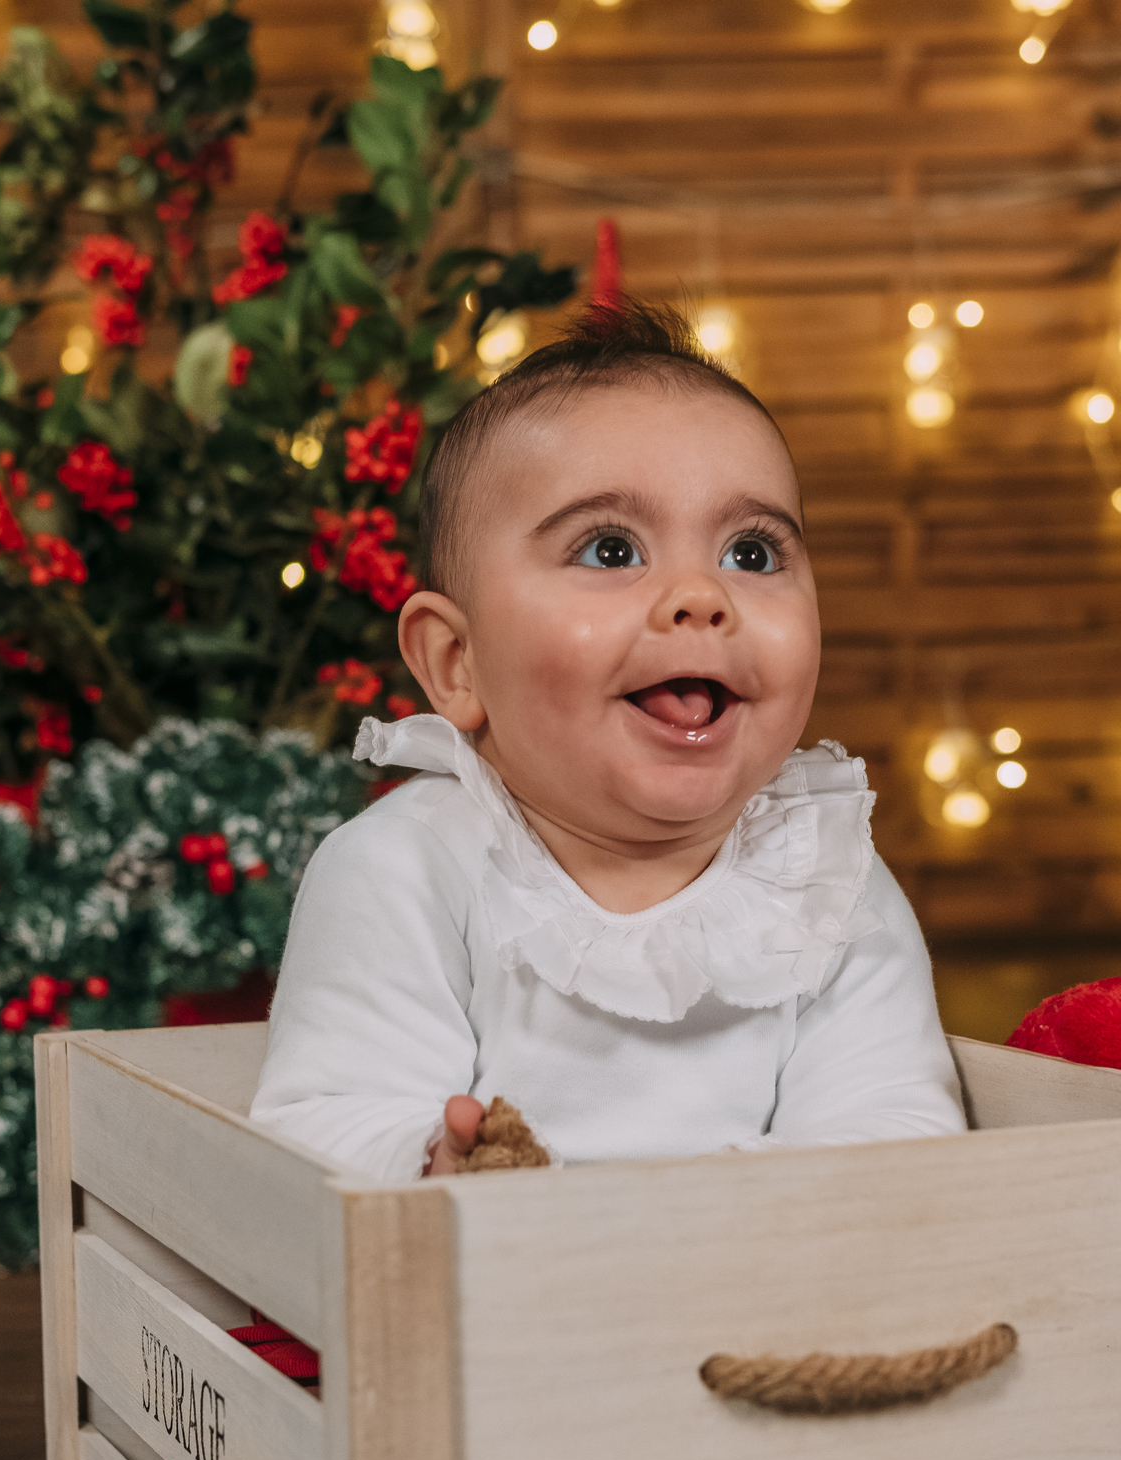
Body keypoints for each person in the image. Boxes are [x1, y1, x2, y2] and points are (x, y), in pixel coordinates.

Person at [251, 300, 965, 1182]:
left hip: (763, 1297)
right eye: (611, 550)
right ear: (457, 661)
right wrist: (432, 1160)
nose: (702, 595)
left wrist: (723, 1219)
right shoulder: (410, 867)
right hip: (483, 1295)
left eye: (752, 552)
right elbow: (325, 1121)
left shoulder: (823, 885)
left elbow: (896, 1121)